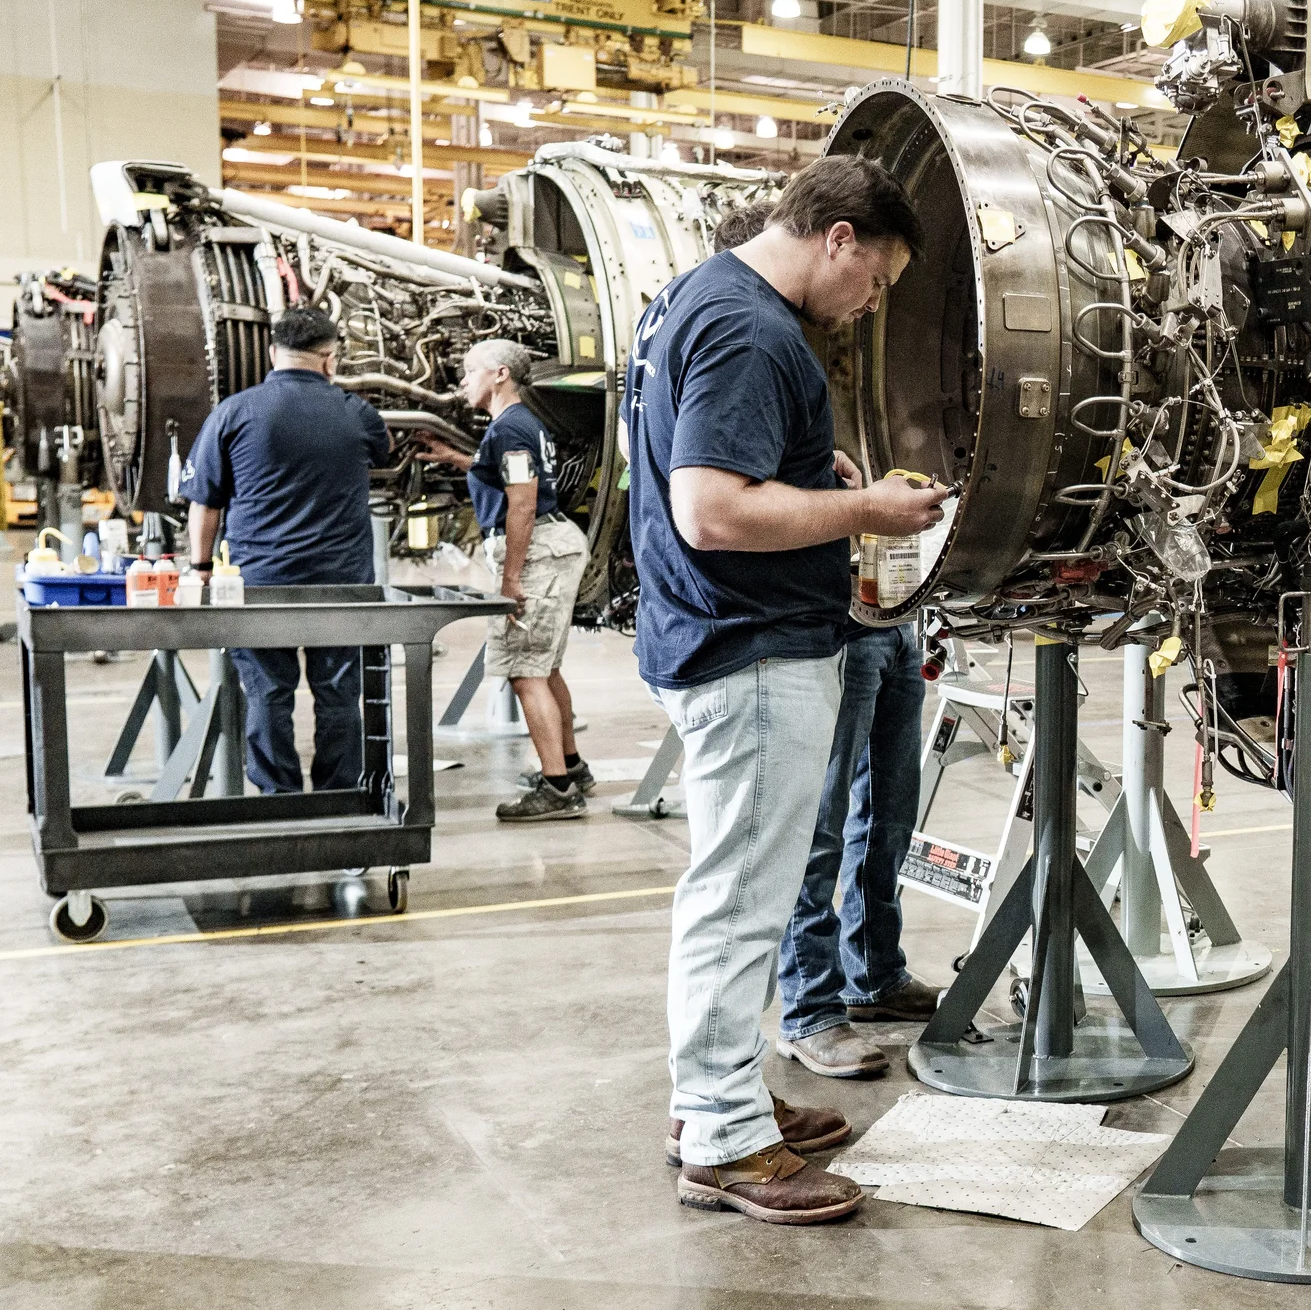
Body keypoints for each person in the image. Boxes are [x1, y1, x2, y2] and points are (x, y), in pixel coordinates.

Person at [628, 154, 949, 1226]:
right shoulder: (753, 328)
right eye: (877, 279)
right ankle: (724, 1141)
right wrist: (866, 517)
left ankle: (713, 1096)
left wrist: (819, 488)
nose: (872, 303)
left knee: (734, 893)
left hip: (723, 636)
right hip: (751, 648)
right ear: (839, 239)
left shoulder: (701, 293)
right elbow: (711, 510)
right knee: (741, 902)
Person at [181, 306, 391, 794]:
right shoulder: (357, 413)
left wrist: (200, 568)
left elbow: (204, 503)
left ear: (273, 353)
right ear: (330, 358)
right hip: (341, 585)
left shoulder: (234, 412)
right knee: (339, 695)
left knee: (267, 694)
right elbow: (384, 461)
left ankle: (280, 798)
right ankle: (338, 797)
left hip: (259, 584)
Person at [415, 340, 594, 822]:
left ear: (499, 374)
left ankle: (557, 791)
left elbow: (523, 502)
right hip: (553, 544)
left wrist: (511, 578)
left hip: (538, 550)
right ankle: (571, 768)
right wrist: (455, 457)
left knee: (525, 670)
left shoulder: (512, 428)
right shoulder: (515, 426)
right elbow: (507, 477)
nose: (462, 381)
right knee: (545, 665)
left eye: (470, 371)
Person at [774, 616, 941, 1081]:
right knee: (818, 830)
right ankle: (809, 1011)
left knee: (888, 820)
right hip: (837, 631)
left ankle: (874, 975)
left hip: (900, 629)